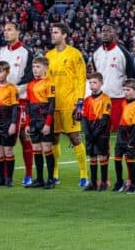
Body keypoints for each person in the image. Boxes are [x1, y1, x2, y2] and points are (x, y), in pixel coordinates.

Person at [0, 22, 34, 185]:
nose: (6, 33)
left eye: (10, 30)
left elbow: (29, 77)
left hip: (19, 101)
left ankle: (28, 174)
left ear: (18, 32)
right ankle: (3, 177)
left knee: (24, 136)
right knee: (1, 141)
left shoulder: (26, 53)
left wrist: (11, 89)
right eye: (4, 31)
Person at [46, 23, 88, 186]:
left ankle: (84, 176)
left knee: (75, 137)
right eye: (52, 32)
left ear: (64, 35)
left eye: (55, 32)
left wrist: (79, 102)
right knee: (53, 139)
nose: (52, 35)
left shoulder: (75, 54)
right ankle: (55, 175)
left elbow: (80, 79)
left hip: (70, 103)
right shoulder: (48, 55)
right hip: (53, 104)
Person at [92, 24, 135, 133]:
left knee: (123, 133)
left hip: (119, 99)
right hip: (101, 100)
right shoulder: (96, 53)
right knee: (101, 135)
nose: (105, 33)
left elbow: (132, 76)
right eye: (103, 31)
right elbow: (96, 75)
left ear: (115, 34)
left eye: (108, 31)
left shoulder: (123, 53)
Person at [24, 56, 56, 189]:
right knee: (36, 149)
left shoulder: (50, 83)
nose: (35, 70)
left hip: (44, 120)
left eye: (38, 67)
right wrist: (27, 124)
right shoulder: (30, 85)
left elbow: (51, 105)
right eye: (33, 67)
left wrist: (48, 124)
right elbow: (27, 106)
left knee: (47, 149)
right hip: (33, 121)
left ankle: (51, 179)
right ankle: (39, 179)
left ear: (45, 68)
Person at [82, 73, 112, 191]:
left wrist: (95, 134)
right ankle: (93, 183)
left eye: (95, 82)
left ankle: (103, 182)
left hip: (101, 132)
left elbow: (105, 119)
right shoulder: (87, 100)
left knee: (102, 156)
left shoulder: (106, 99)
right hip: (90, 130)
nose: (92, 85)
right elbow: (84, 117)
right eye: (90, 82)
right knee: (92, 157)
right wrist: (88, 133)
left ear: (101, 83)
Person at [113, 78, 135, 194]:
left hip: (131, 134)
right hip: (121, 133)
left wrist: (132, 141)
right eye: (124, 90)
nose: (125, 92)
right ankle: (119, 182)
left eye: (128, 90)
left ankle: (133, 185)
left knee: (130, 161)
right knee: (116, 159)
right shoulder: (123, 102)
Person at [0, 61, 19, 187]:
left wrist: (13, 123)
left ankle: (9, 178)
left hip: (7, 122)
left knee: (8, 150)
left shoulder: (12, 88)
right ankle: (0, 178)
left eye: (1, 71)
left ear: (7, 72)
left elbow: (14, 108)